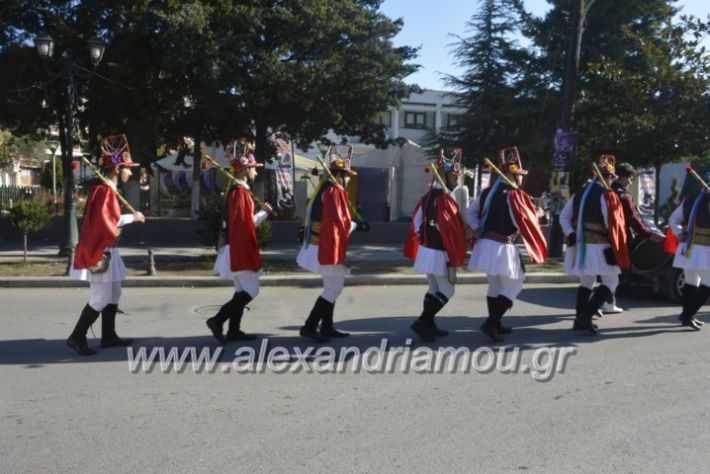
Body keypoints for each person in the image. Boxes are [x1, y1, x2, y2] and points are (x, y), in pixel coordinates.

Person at [67, 135, 145, 355]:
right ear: (117, 168)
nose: (130, 172)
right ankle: (76, 336)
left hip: (110, 250)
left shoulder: (108, 191)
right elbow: (106, 223)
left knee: (114, 294)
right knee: (100, 298)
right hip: (101, 252)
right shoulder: (104, 192)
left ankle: (109, 336)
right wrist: (133, 217)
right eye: (128, 168)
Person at [467, 147, 548, 342]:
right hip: (502, 245)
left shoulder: (487, 193)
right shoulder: (515, 195)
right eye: (519, 175)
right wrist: (537, 214)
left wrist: (476, 227)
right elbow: (521, 220)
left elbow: (470, 212)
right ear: (513, 174)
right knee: (514, 284)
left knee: (495, 284)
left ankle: (495, 323)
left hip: (486, 243)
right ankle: (492, 323)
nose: (521, 178)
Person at [297, 145, 369, 342]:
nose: (348, 179)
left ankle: (327, 326)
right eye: (346, 175)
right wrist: (355, 225)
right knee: (334, 287)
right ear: (338, 175)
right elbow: (338, 223)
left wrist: (352, 224)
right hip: (325, 246)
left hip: (321, 244)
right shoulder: (333, 191)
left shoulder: (327, 189)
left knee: (331, 285)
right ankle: (309, 326)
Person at [206, 140, 272, 343]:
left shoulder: (237, 191)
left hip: (233, 247)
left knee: (241, 291)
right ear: (245, 170)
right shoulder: (240, 193)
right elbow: (246, 225)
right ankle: (217, 320)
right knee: (252, 291)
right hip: (238, 249)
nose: (256, 172)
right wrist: (264, 213)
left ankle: (234, 330)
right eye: (253, 168)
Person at [560, 154, 629, 334]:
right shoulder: (606, 195)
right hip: (599, 245)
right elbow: (611, 222)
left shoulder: (580, 193)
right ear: (607, 177)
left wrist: (571, 233)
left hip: (582, 245)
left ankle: (579, 320)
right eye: (611, 178)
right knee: (612, 280)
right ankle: (586, 316)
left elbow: (564, 217)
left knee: (587, 282)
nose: (612, 182)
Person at [404, 148, 467, 342]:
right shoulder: (444, 199)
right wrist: (453, 253)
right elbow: (449, 230)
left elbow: (416, 222)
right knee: (448, 289)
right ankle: (423, 322)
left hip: (427, 250)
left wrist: (423, 238)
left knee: (433, 287)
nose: (457, 180)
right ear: (445, 176)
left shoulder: (428, 197)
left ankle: (429, 325)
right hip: (439, 251)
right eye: (454, 176)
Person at [602, 162, 663, 314]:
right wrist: (648, 234)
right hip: (618, 237)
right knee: (614, 271)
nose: (630, 182)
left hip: (602, 237)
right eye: (629, 178)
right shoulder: (623, 195)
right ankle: (607, 303)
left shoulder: (606, 190)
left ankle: (607, 302)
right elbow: (633, 219)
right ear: (621, 178)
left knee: (606, 272)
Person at [667, 171, 710, 330]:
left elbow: (673, 219)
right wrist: (679, 233)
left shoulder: (689, 200)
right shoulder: (697, 200)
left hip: (688, 248)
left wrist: (679, 233)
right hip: (702, 249)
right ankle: (688, 314)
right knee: (707, 284)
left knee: (692, 281)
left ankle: (687, 315)